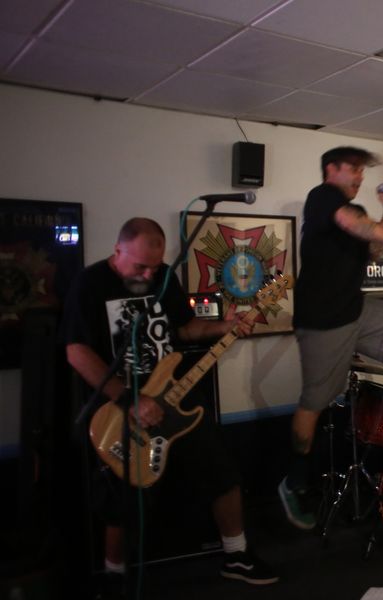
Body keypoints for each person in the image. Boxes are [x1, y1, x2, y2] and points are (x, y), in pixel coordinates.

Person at [61, 218, 278, 593]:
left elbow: (185, 328)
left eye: (155, 267)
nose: (148, 275)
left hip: (174, 394)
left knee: (223, 472)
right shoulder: (90, 283)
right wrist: (129, 400)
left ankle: (237, 555)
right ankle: (113, 576)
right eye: (139, 267)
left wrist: (224, 327)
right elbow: (77, 352)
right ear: (118, 250)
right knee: (122, 494)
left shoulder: (163, 278)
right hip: (122, 404)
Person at [280, 146, 383, 530]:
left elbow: (370, 248)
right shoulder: (322, 197)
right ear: (332, 169)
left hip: (355, 308)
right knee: (316, 400)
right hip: (323, 319)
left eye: (362, 170)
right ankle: (295, 480)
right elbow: (352, 222)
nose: (359, 177)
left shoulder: (355, 212)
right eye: (353, 169)